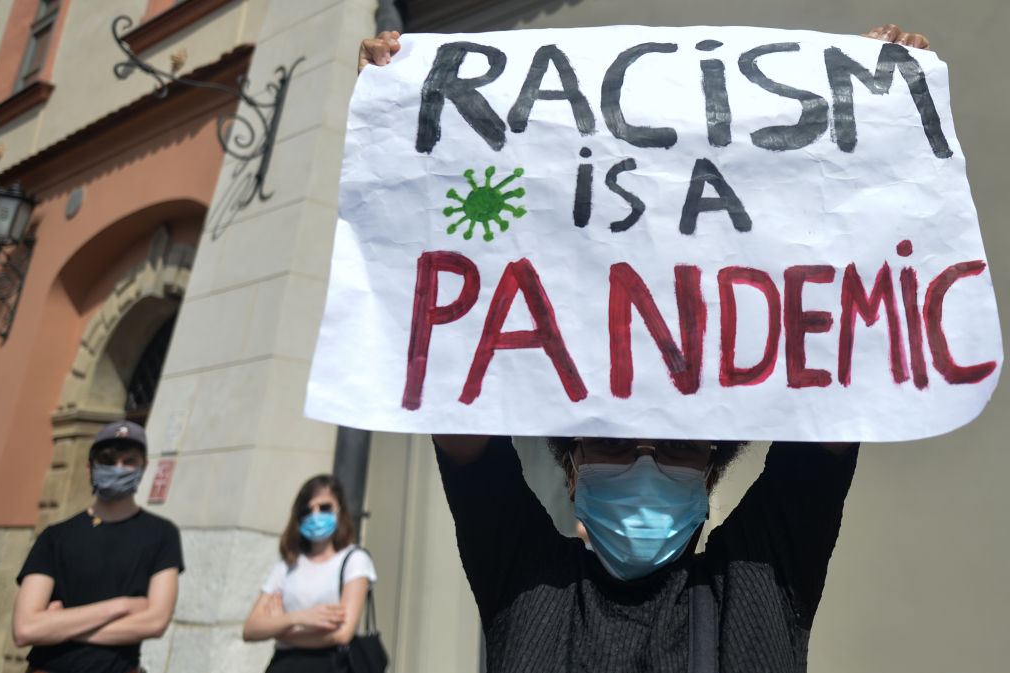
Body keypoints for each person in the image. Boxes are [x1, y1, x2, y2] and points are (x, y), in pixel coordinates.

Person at [358, 24, 930, 672]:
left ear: (710, 475)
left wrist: (880, 121)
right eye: (612, 443)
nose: (644, 467)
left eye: (679, 447)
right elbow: (456, 406)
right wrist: (402, 114)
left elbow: (832, 394)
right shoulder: (528, 583)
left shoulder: (759, 584)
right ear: (570, 469)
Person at [12, 420, 184, 673]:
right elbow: (25, 629)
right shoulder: (55, 536)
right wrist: (122, 606)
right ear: (89, 468)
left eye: (129, 461)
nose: (118, 468)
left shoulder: (161, 534)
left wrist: (57, 625)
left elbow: (155, 623)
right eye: (107, 461)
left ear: (144, 466)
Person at [243, 474, 376, 673]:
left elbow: (342, 634)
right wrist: (298, 618)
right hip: (284, 665)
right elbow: (251, 628)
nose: (315, 515)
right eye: (307, 511)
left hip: (331, 664)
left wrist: (281, 632)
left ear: (340, 510)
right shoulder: (287, 565)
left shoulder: (354, 559)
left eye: (324, 507)